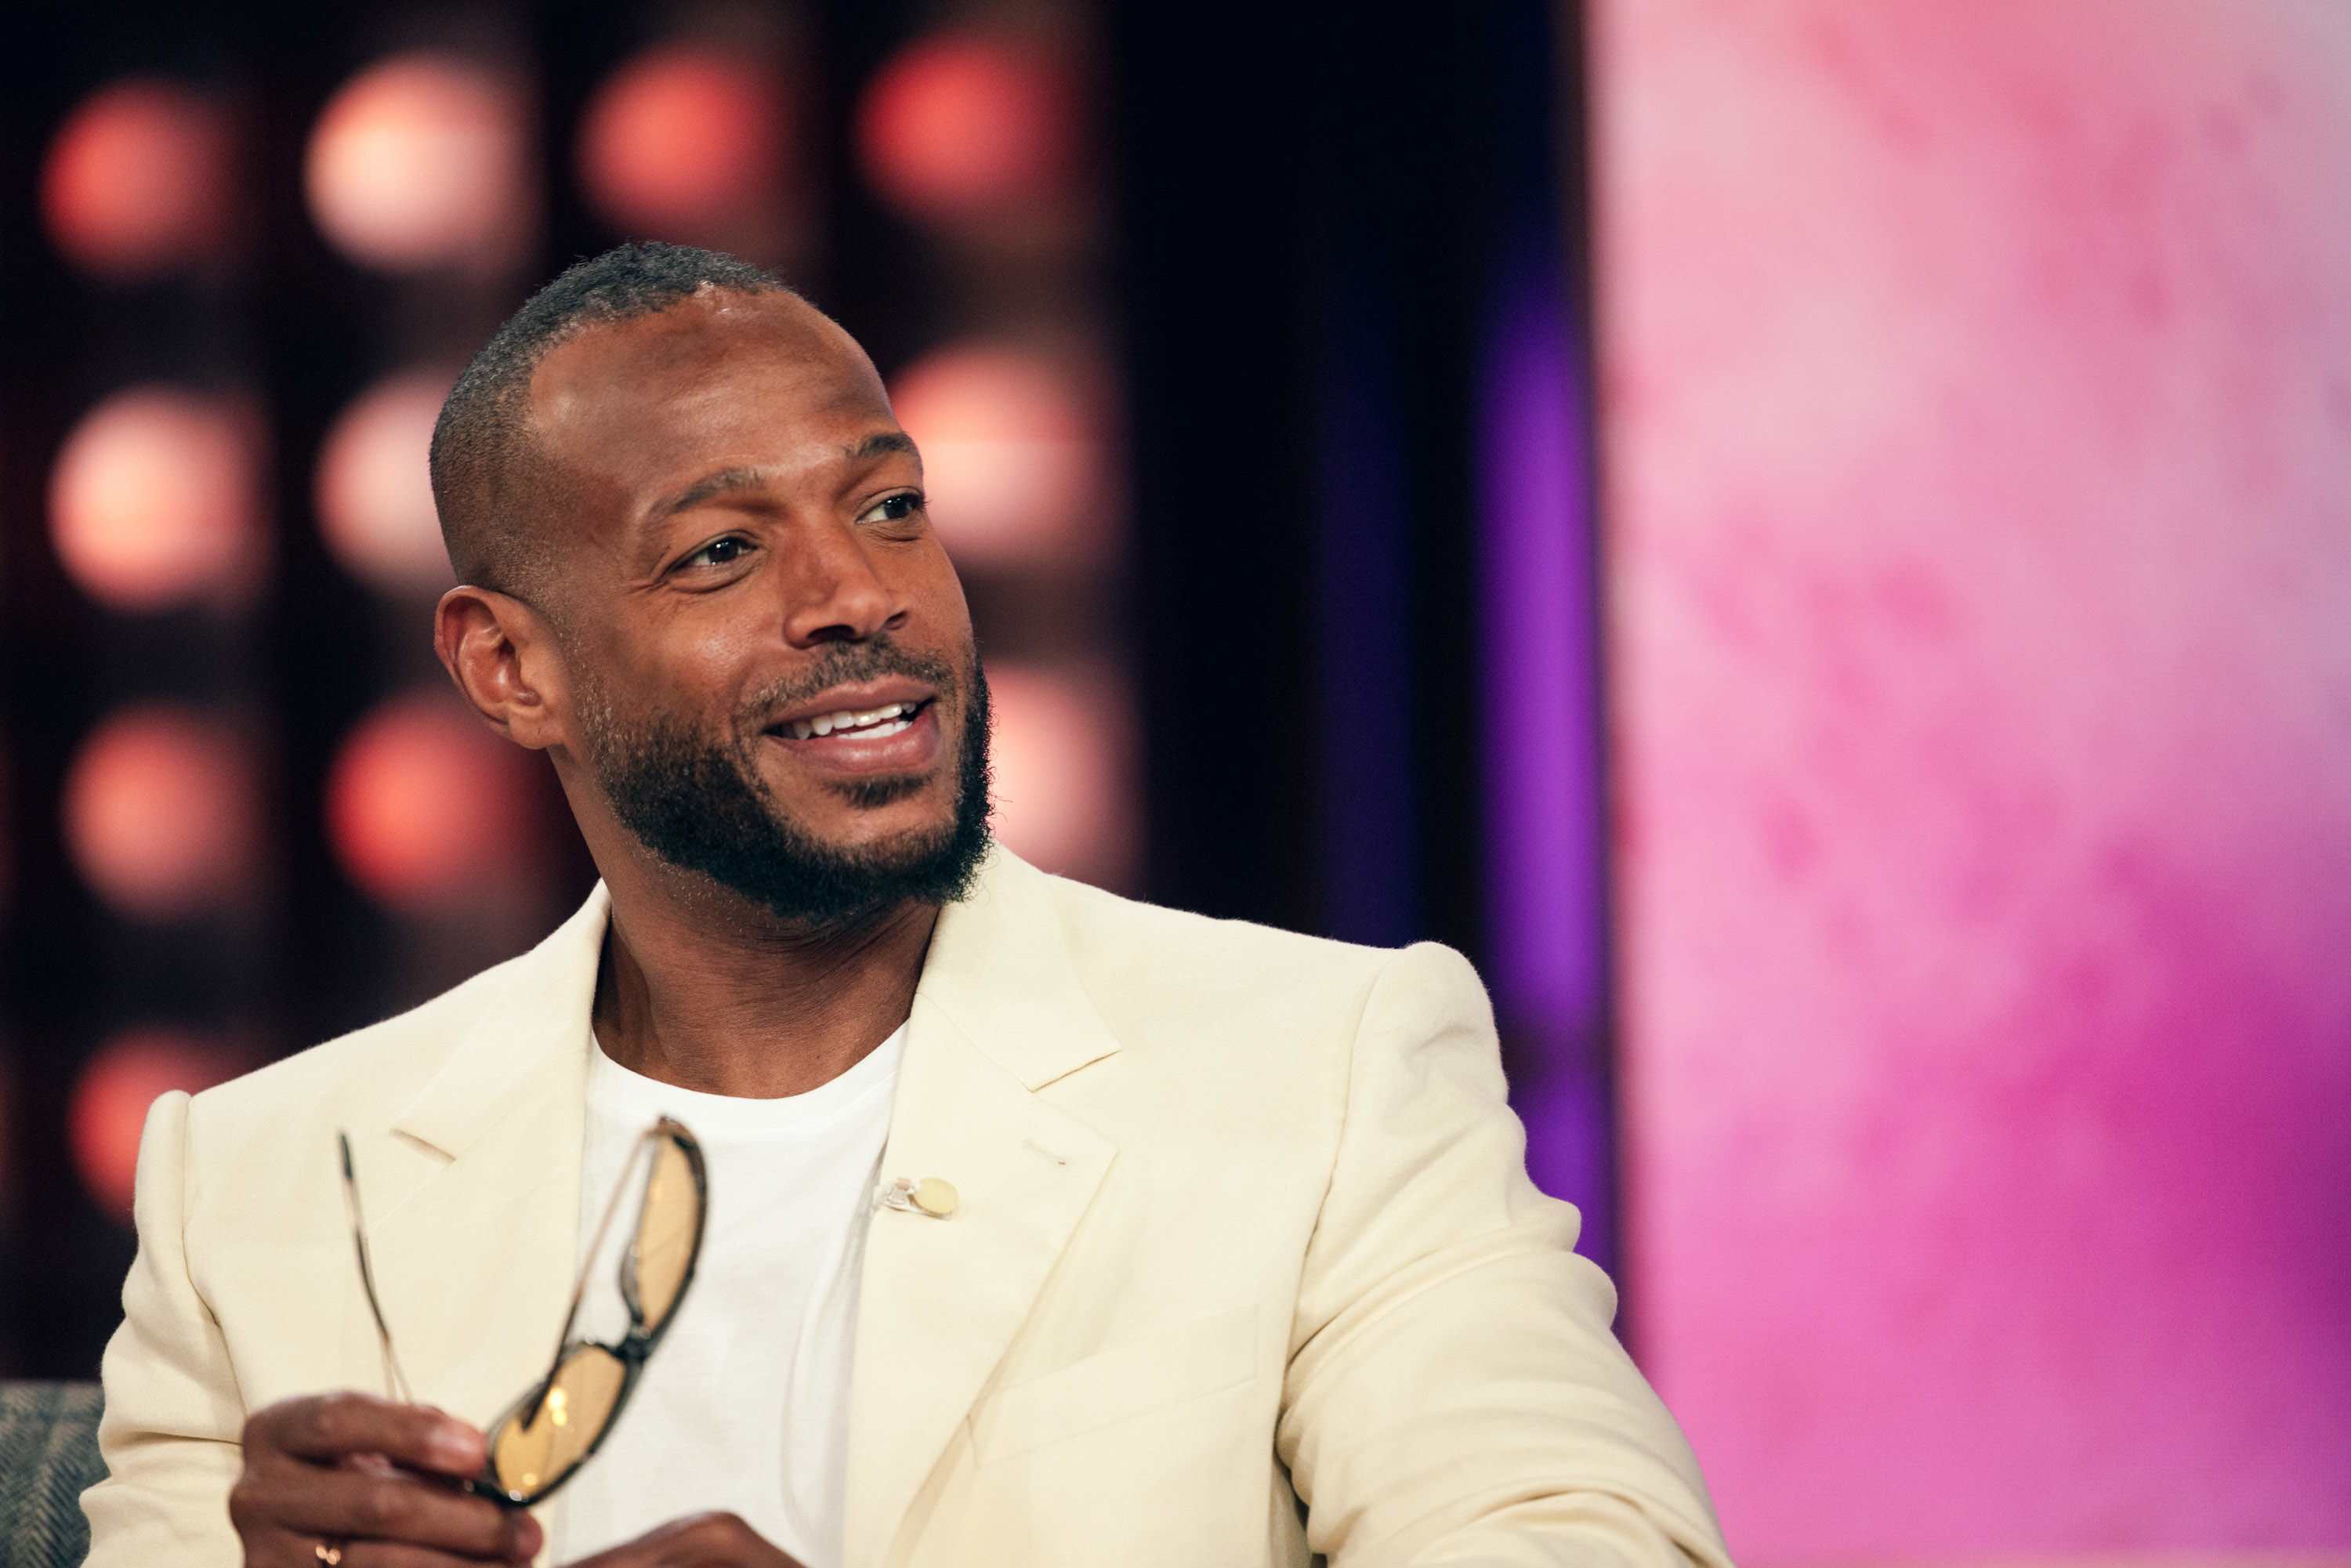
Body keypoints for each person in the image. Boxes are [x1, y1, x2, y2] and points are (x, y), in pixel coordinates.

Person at [82, 243, 1732, 1568]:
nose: (860, 596)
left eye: (888, 507)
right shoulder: (264, 1183)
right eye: (725, 551)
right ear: (510, 666)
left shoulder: (1321, 1066)